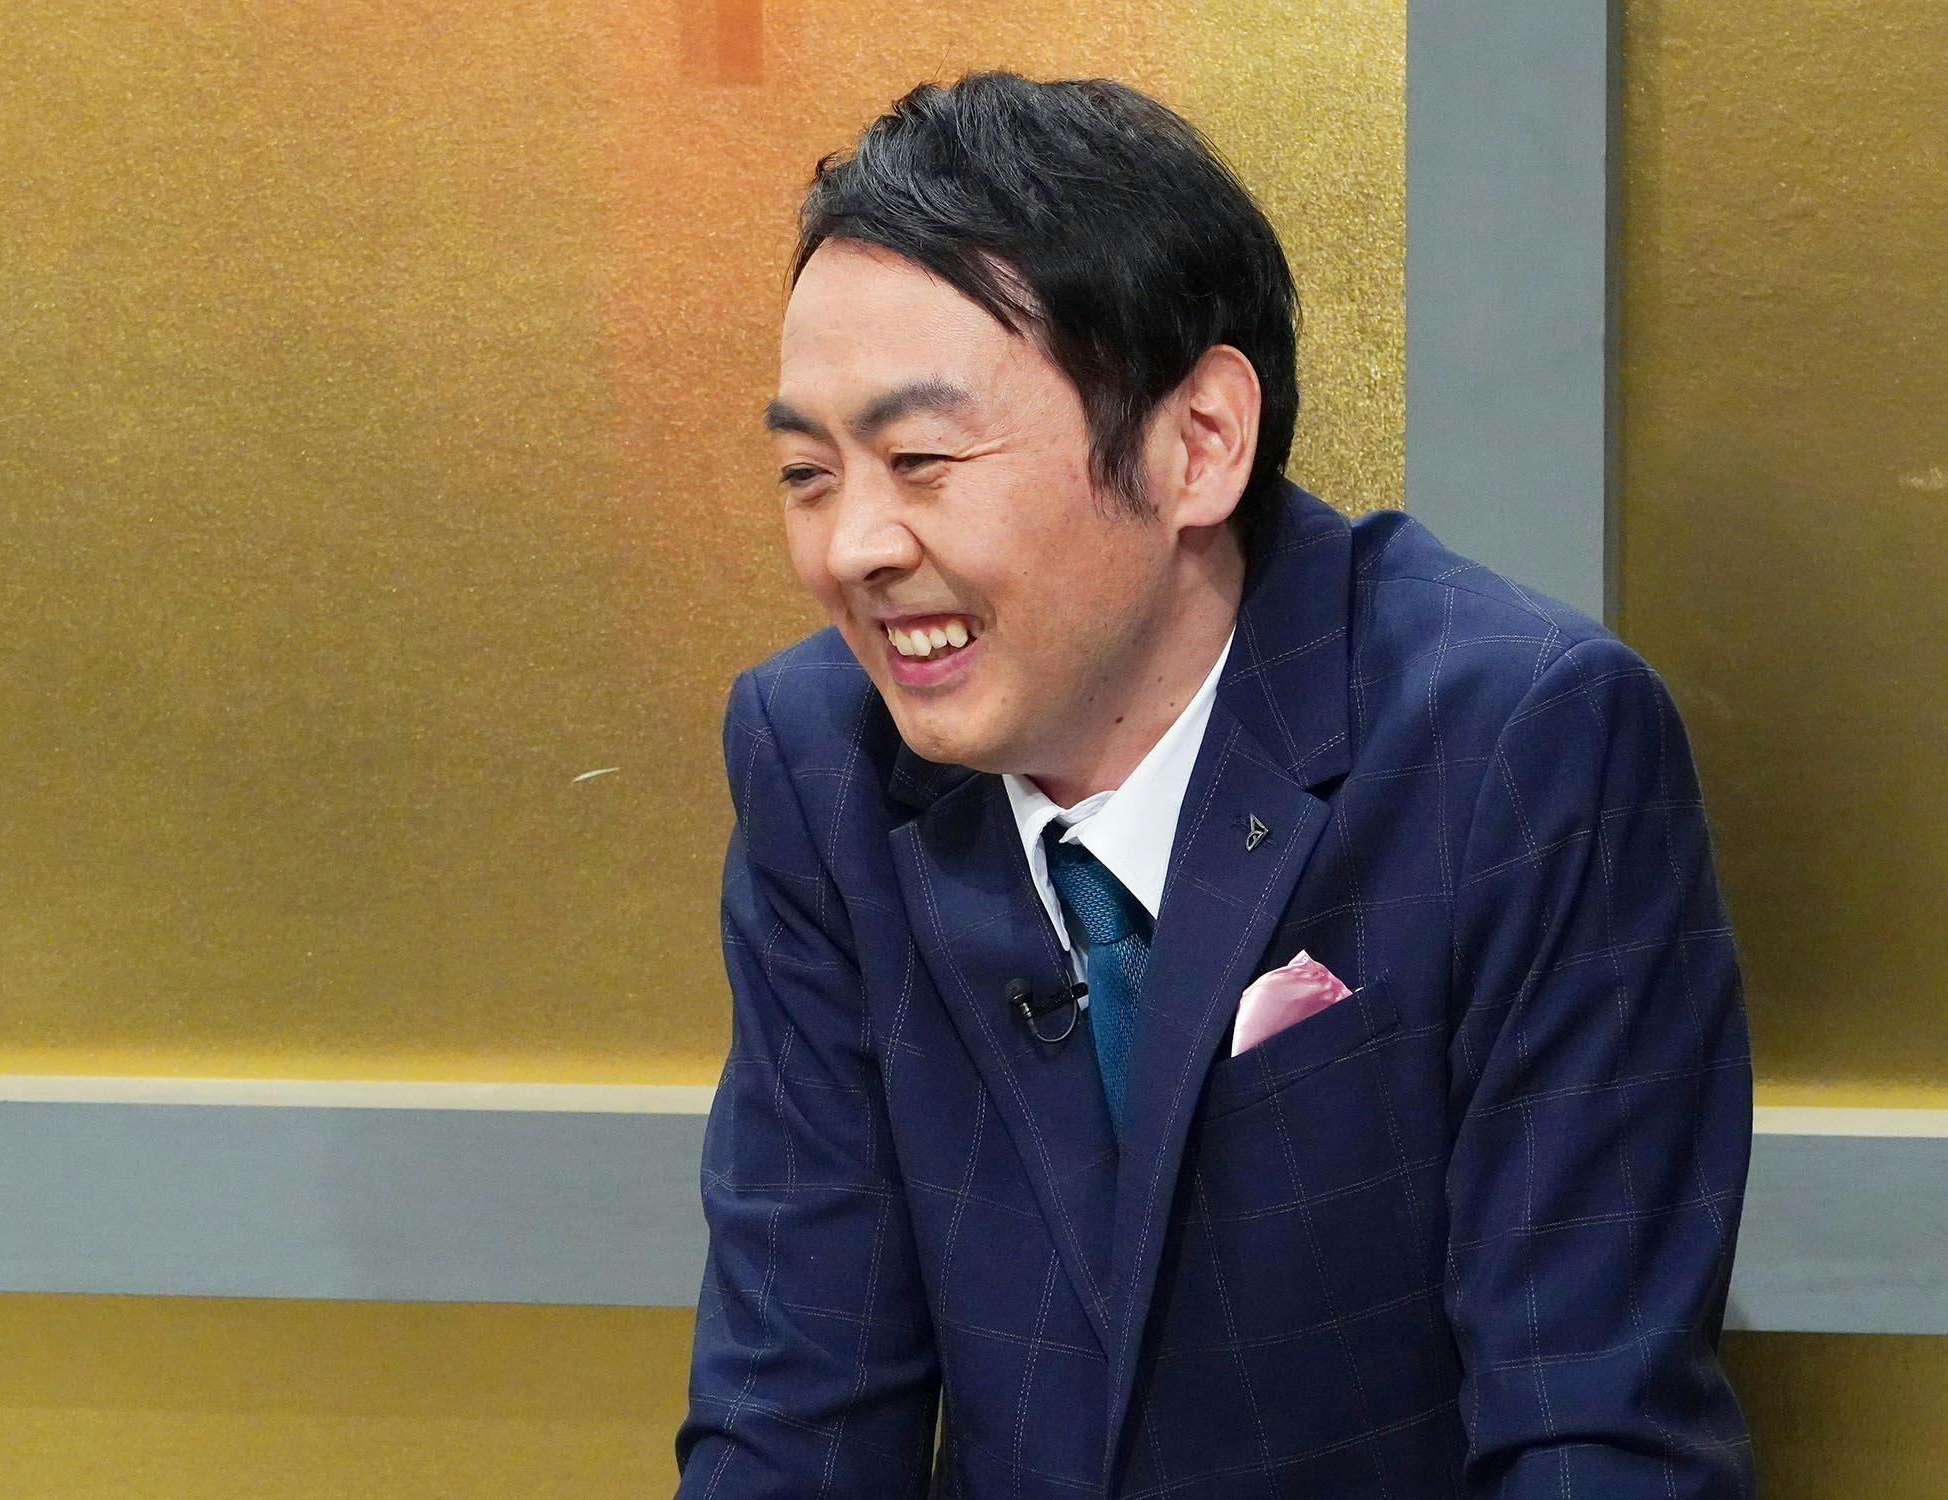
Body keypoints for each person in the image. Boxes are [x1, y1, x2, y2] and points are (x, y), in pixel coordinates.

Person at [677, 70, 1755, 1497]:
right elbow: (795, 1406)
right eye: (808, 475)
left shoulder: (1517, 740)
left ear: (1198, 444)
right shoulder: (818, 753)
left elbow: (1589, 1430)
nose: (852, 549)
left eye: (920, 460)